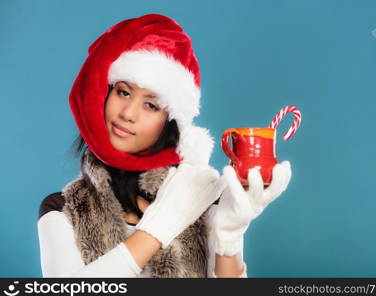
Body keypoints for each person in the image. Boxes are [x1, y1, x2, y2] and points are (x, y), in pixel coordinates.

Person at [37, 14, 292, 278]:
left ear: (168, 121)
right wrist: (159, 227)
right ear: (104, 93)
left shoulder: (200, 200)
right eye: (123, 92)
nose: (128, 113)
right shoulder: (63, 210)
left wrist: (229, 240)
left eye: (151, 105)